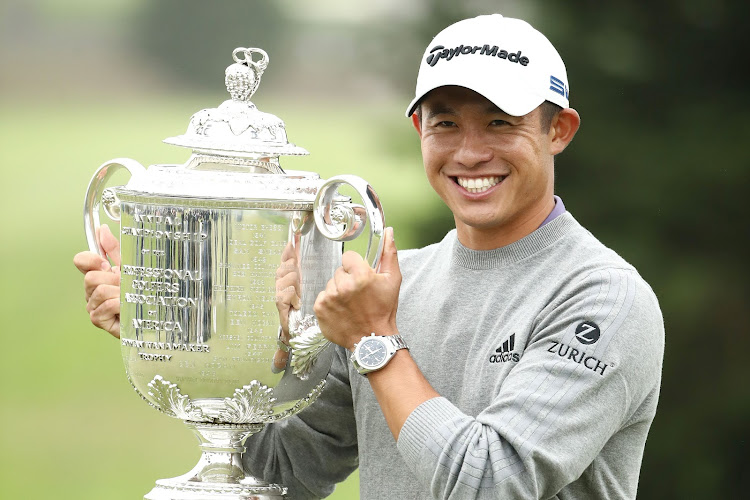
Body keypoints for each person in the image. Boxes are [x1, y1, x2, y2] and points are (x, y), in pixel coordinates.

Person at [75, 14, 664, 500]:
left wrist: (374, 342)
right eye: (446, 123)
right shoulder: (395, 288)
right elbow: (280, 469)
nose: (470, 150)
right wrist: (176, 335)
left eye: (500, 123)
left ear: (559, 129)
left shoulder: (605, 298)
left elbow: (490, 483)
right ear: (418, 128)